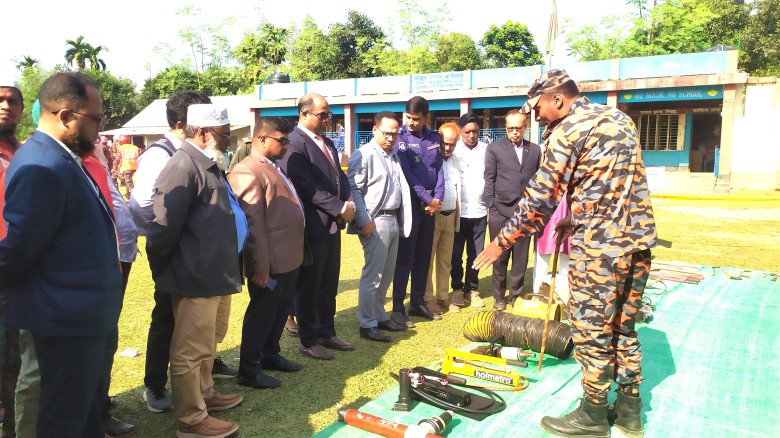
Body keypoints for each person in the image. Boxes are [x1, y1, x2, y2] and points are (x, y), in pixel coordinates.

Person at [474, 69, 657, 438]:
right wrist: (575, 218)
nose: (536, 117)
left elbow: (540, 199)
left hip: (600, 251)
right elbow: (609, 182)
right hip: (636, 244)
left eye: (538, 108)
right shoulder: (618, 118)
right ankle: (629, 411)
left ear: (557, 99)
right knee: (624, 328)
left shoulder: (568, 130)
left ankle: (592, 414)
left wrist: (500, 242)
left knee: (591, 331)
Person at [0, 72, 122, 438]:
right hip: (63, 321)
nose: (99, 129)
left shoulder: (60, 157)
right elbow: (19, 249)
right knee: (62, 420)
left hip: (79, 317)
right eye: (95, 119)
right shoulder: (41, 165)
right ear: (66, 116)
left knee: (82, 416)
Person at [130, 91, 239, 414]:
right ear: (202, 132)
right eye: (224, 134)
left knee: (206, 340)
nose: (228, 141)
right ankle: (191, 417)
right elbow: (162, 226)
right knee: (188, 348)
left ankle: (205, 393)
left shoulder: (206, 162)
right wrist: (168, 268)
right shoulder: (181, 165)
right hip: (192, 274)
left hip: (213, 272)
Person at [228, 117, 305, 389]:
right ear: (261, 139)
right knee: (262, 312)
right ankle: (249, 369)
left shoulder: (273, 166)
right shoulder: (247, 171)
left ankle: (270, 354)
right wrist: (260, 267)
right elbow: (252, 225)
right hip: (269, 263)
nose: (286, 146)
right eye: (282, 141)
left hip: (288, 258)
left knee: (279, 310)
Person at [278, 93, 355, 360]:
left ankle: (326, 331)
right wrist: (340, 208)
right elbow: (306, 187)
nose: (327, 119)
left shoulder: (327, 142)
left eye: (328, 114)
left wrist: (347, 201)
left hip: (332, 223)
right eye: (322, 114)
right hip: (312, 225)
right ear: (304, 114)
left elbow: (340, 177)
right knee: (309, 285)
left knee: (328, 282)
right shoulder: (294, 143)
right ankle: (308, 339)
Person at [348, 111, 412, 342]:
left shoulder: (393, 154)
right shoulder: (363, 154)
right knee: (373, 275)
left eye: (395, 134)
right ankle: (367, 324)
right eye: (386, 133)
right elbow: (354, 190)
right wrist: (364, 220)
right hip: (375, 220)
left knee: (386, 275)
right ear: (375, 130)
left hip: (393, 218)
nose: (391, 138)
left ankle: (379, 316)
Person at [391, 96, 443, 327]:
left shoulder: (434, 137)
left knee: (423, 256)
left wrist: (438, 198)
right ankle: (397, 308)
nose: (411, 122)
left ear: (426, 117)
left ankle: (417, 302)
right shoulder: (400, 139)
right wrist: (428, 199)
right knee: (405, 257)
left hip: (430, 207)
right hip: (411, 204)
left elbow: (439, 168)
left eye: (416, 119)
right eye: (408, 117)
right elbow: (408, 173)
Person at [483, 110, 541, 310]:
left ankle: (515, 294)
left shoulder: (535, 150)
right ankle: (498, 296)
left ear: (525, 127)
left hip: (525, 212)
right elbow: (489, 178)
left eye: (518, 128)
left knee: (521, 258)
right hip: (500, 210)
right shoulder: (494, 149)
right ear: (506, 128)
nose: (514, 132)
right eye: (510, 128)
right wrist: (491, 205)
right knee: (500, 256)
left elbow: (538, 180)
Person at [0, 77, 23, 438]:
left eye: (12, 100)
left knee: (17, 353)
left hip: (22, 267)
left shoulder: (26, 153)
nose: (5, 106)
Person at [450, 112, 488, 309]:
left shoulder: (487, 150)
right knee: (455, 254)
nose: (472, 135)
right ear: (460, 132)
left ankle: (472, 289)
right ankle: (457, 288)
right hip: (459, 212)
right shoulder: (454, 150)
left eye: (475, 131)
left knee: (476, 254)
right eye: (467, 132)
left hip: (480, 211)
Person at [423, 123, 460, 316]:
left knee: (446, 260)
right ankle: (427, 298)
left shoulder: (455, 160)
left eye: (452, 144)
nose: (448, 147)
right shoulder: (430, 158)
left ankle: (443, 296)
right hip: (433, 216)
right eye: (445, 143)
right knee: (428, 259)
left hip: (451, 215)